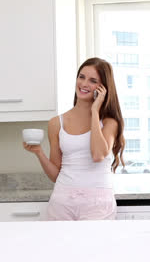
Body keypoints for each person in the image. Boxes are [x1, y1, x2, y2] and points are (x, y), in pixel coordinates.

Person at [23, 57, 125, 220]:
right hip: (62, 201)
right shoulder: (56, 123)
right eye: (81, 77)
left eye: (92, 81)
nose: (84, 84)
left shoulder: (109, 123)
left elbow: (98, 155)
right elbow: (56, 175)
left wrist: (95, 112)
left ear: (103, 88)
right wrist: (39, 153)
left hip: (98, 203)